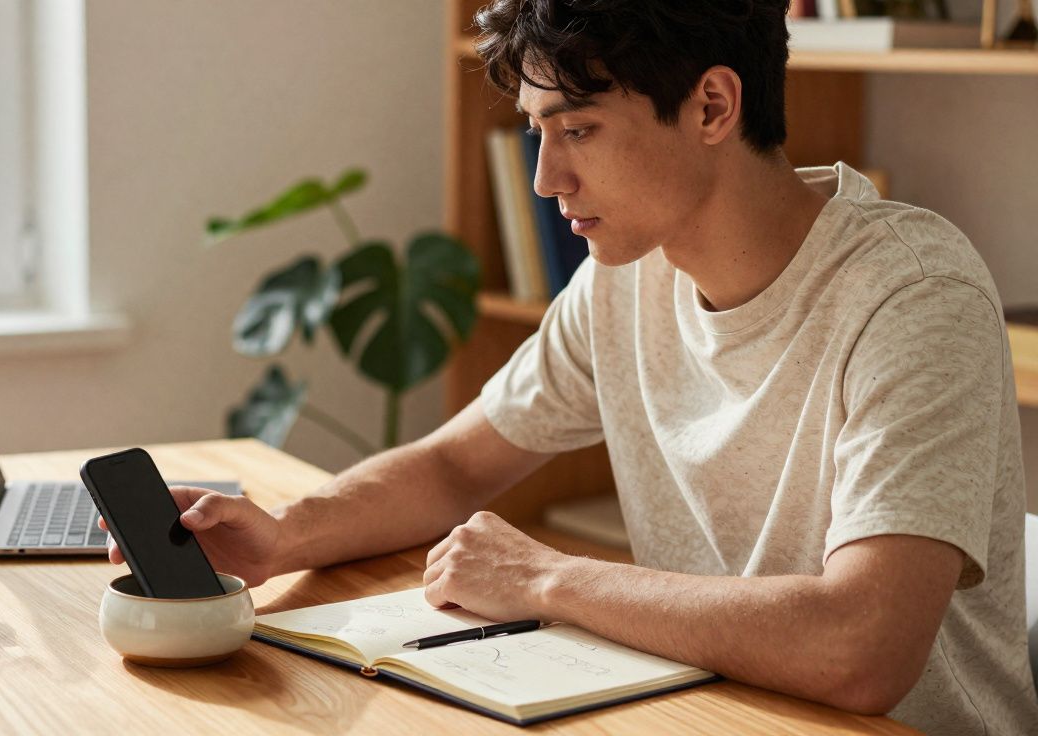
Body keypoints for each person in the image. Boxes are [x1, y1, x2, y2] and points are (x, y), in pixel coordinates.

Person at [101, 1, 1038, 732]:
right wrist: (286, 537)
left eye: (577, 128)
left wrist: (548, 579)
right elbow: (457, 463)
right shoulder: (626, 277)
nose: (546, 180)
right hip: (715, 709)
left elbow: (862, 648)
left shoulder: (911, 296)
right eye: (535, 132)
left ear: (714, 105)